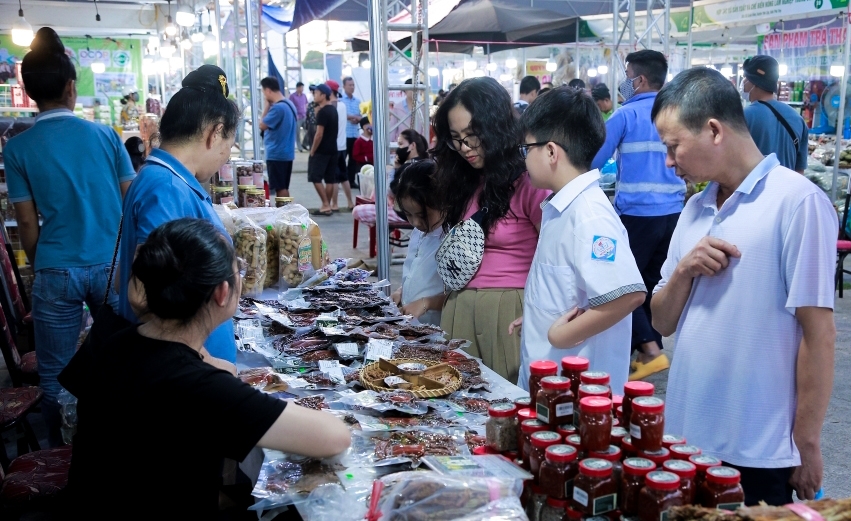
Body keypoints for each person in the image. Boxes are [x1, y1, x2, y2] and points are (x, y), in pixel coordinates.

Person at [60, 218, 352, 517]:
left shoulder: (116, 342)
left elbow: (214, 368)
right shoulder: (195, 385)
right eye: (238, 269)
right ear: (222, 293)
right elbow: (334, 437)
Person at [650, 67, 836, 505]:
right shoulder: (694, 209)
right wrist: (683, 271)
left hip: (758, 449)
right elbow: (661, 320)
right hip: (685, 437)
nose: (669, 162)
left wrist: (805, 443)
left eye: (673, 147)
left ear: (713, 130)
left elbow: (819, 334)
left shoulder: (798, 202)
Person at [3, 27, 136, 447]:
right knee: (124, 359)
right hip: (112, 264)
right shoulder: (106, 136)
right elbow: (131, 201)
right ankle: (118, 444)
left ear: (29, 92)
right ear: (71, 87)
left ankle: (64, 457)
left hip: (56, 267)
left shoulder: (18, 147)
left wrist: (45, 260)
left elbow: (26, 223)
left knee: (57, 373)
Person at [513, 87, 646, 395]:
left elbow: (626, 296)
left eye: (526, 150)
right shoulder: (562, 206)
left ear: (550, 151)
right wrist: (540, 311)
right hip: (551, 381)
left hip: (577, 391)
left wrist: (561, 335)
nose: (524, 160)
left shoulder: (589, 214)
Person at [117, 64, 238, 370]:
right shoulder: (166, 188)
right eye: (229, 145)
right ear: (215, 132)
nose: (227, 156)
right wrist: (207, 362)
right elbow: (147, 296)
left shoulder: (171, 178)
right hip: (182, 372)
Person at [433, 77, 550, 383]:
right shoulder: (463, 180)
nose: (465, 148)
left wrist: (545, 313)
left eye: (473, 136)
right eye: (456, 138)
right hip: (458, 307)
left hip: (509, 311)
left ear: (496, 128)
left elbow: (554, 256)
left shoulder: (529, 182)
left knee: (508, 409)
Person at [590, 49, 684, 381]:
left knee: (624, 283)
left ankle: (650, 350)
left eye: (627, 74)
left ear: (639, 79)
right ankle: (649, 351)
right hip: (674, 213)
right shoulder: (677, 113)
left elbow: (593, 163)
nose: (624, 82)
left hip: (637, 215)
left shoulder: (624, 116)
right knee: (656, 283)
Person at [389, 160, 445, 325]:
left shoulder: (453, 239)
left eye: (422, 215)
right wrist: (402, 291)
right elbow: (414, 271)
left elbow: (459, 297)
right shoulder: (418, 232)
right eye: (408, 214)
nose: (414, 222)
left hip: (439, 327)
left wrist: (426, 303)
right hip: (416, 327)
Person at [741, 55, 808, 174]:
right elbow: (799, 170)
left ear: (753, 82)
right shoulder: (798, 119)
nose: (743, 82)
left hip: (755, 191)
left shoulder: (744, 116)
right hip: (787, 190)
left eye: (745, 78)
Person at [352, 128, 429, 228]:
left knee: (357, 211)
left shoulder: (408, 167)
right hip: (417, 212)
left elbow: (391, 192)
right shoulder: (424, 163)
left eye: (401, 144)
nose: (398, 148)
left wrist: (393, 170)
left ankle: (379, 232)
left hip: (406, 214)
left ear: (412, 146)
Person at [259, 77, 298, 198]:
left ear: (269, 91)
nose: (264, 95)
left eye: (264, 92)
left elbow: (262, 125)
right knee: (284, 186)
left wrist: (266, 106)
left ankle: (284, 214)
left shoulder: (277, 108)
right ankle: (288, 212)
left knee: (280, 188)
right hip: (287, 153)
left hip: (277, 154)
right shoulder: (289, 104)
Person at [308, 83, 338, 216]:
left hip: (321, 150)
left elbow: (319, 134)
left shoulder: (323, 112)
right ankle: (327, 205)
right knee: (330, 179)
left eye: (316, 93)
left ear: (323, 95)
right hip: (333, 149)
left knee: (316, 177)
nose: (314, 95)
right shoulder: (333, 110)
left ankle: (325, 204)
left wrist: (313, 150)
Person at [327, 80, 354, 211]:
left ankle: (335, 204)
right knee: (344, 176)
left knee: (334, 178)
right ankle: (350, 202)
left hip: (333, 146)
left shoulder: (331, 107)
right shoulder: (342, 105)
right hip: (342, 145)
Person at [341, 76, 362, 186]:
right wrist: (351, 117)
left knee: (353, 159)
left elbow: (361, 116)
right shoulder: (341, 101)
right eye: (349, 85)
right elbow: (341, 115)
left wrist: (356, 118)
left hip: (354, 134)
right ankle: (341, 179)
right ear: (344, 86)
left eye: (353, 85)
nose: (352, 87)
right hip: (345, 134)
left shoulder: (357, 101)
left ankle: (351, 180)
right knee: (342, 159)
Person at [289, 81, 308, 152]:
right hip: (297, 117)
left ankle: (305, 143)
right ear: (297, 88)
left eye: (303, 87)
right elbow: (290, 106)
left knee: (308, 129)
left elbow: (306, 104)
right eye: (301, 87)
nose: (302, 89)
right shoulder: (292, 96)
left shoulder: (304, 96)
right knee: (297, 132)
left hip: (304, 115)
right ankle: (299, 147)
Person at [303, 86, 318, 151]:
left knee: (313, 142)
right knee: (313, 142)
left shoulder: (312, 103)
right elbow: (308, 115)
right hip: (313, 124)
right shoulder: (312, 103)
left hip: (314, 124)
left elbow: (308, 115)